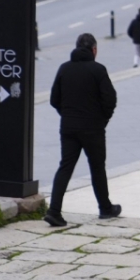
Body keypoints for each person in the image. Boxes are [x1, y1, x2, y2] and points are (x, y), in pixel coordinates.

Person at [46, 33, 119, 227]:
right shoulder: (98, 70)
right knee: (97, 167)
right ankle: (105, 208)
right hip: (93, 128)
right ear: (94, 50)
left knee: (65, 167)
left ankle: (54, 211)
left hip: (68, 127)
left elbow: (54, 100)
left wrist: (67, 114)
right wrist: (103, 119)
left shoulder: (64, 69)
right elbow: (110, 99)